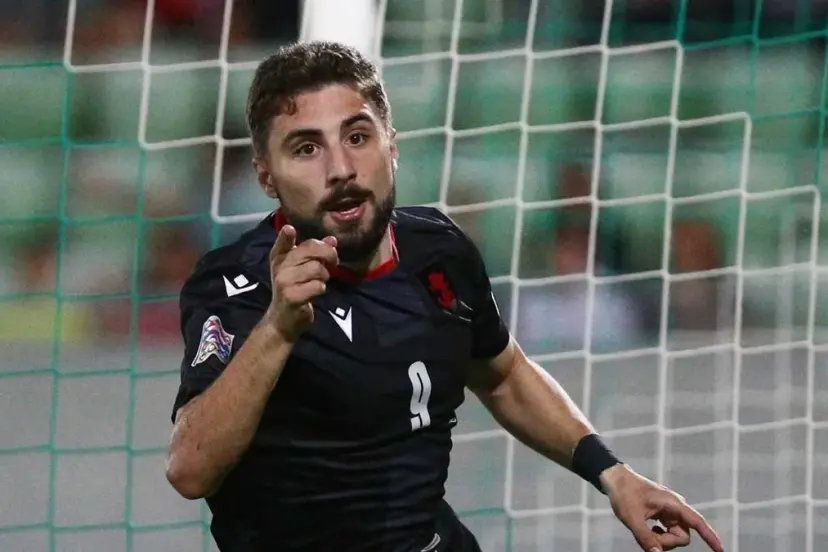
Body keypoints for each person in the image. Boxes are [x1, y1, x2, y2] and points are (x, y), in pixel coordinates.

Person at [164, 41, 724, 552]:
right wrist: (277, 329)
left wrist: (614, 474)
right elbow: (190, 469)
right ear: (267, 177)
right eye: (307, 148)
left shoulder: (439, 250)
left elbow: (503, 374)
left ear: (392, 145)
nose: (341, 169)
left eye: (357, 137)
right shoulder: (236, 284)